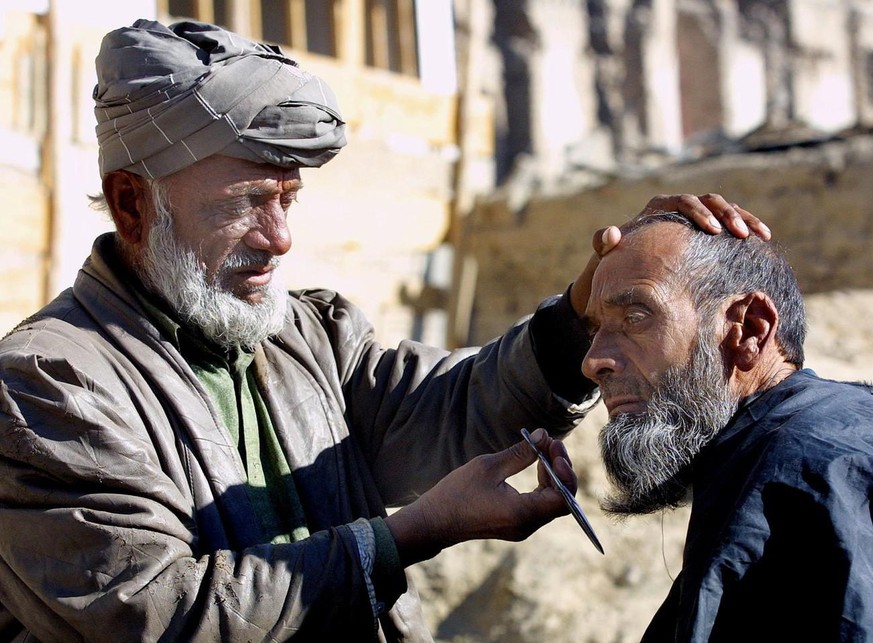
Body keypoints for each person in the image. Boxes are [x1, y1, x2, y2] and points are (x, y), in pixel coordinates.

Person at [0, 19, 764, 642]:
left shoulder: (305, 335)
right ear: (132, 205)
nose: (279, 238)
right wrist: (407, 536)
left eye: (288, 200)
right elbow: (154, 614)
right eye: (245, 202)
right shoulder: (45, 385)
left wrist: (586, 303)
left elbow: (447, 410)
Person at [581, 211, 873, 641]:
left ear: (748, 330)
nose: (592, 362)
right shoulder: (775, 447)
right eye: (595, 330)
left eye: (636, 318)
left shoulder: (801, 470)